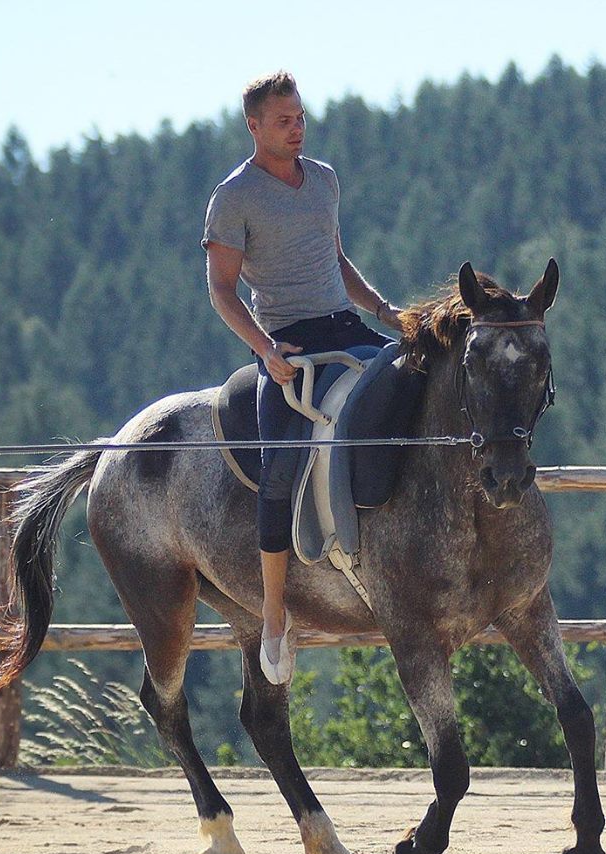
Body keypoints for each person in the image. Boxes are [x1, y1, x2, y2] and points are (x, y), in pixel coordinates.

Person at [202, 70, 403, 685]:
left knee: (416, 389)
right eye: (284, 119)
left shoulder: (325, 180)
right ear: (254, 126)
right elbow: (221, 290)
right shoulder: (233, 196)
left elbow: (333, 258)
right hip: (289, 341)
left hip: (346, 324)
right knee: (280, 467)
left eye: (300, 116)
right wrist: (265, 351)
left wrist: (380, 309)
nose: (297, 127)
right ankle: (272, 616)